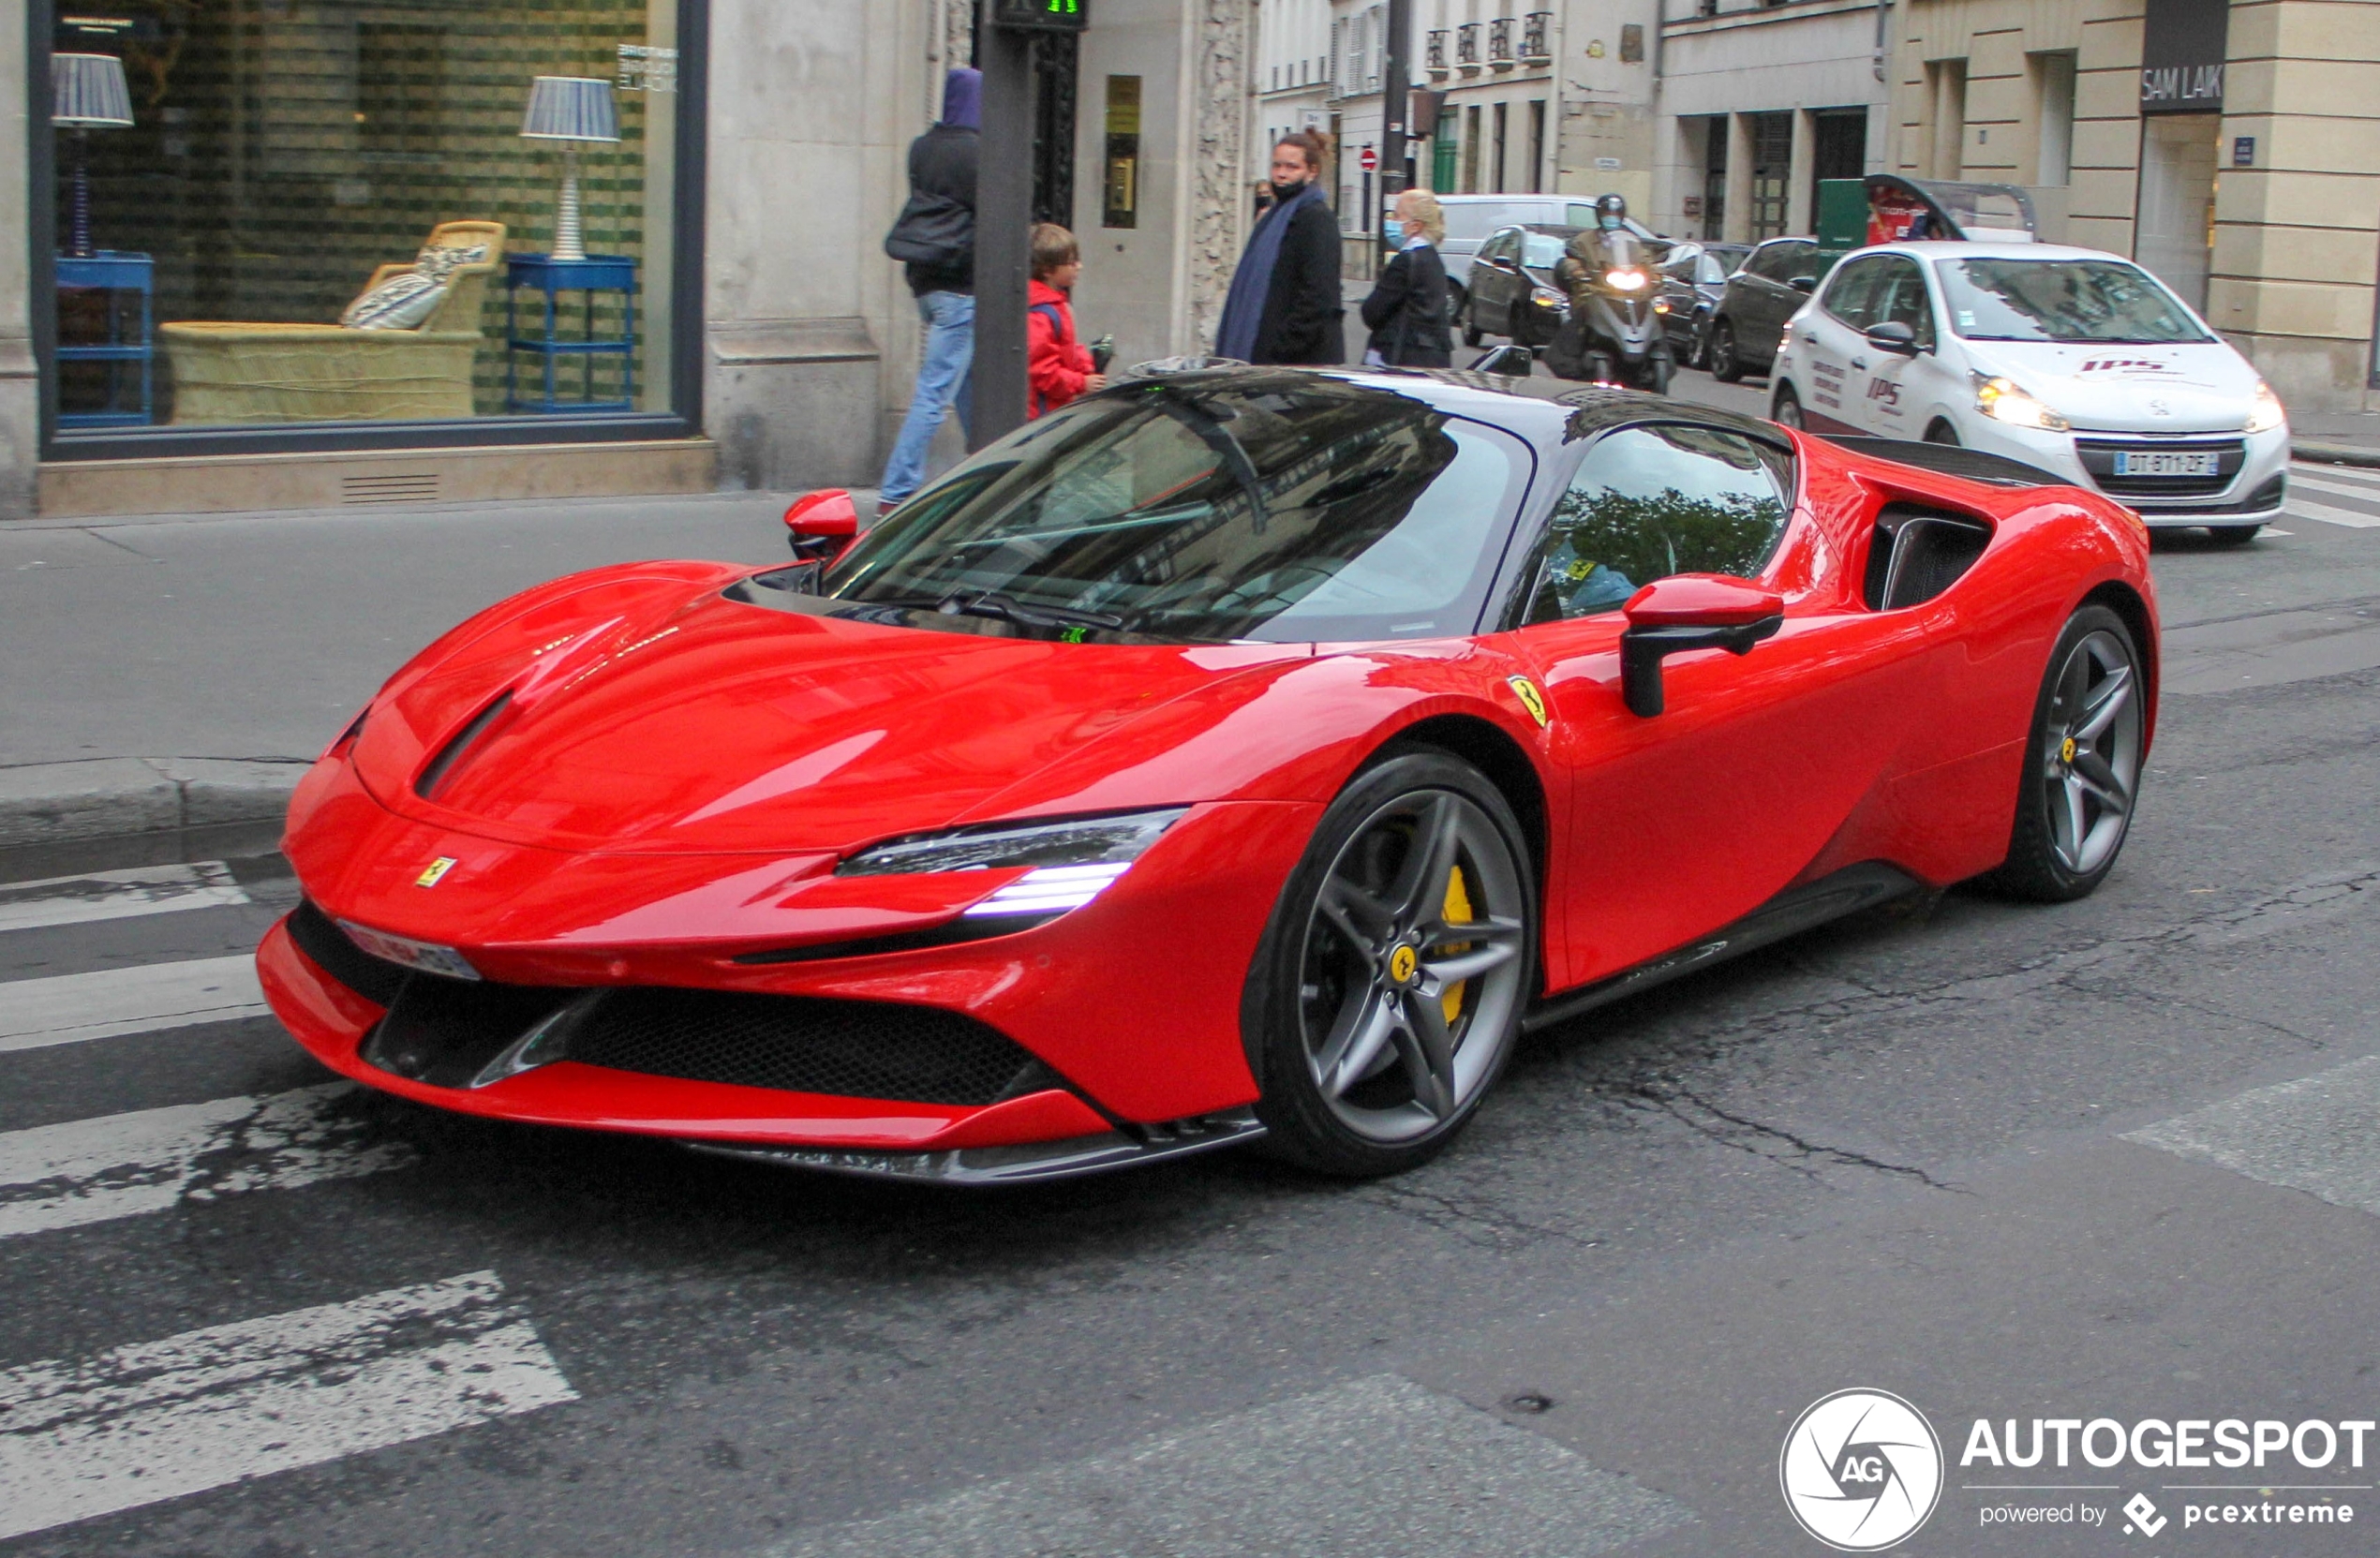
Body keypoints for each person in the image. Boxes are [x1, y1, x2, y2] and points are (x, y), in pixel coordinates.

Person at [876, 68, 981, 516]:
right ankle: (896, 490)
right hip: (962, 284)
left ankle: (985, 466)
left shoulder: (922, 147)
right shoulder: (979, 152)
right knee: (936, 391)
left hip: (924, 281)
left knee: (968, 383)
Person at [1214, 131, 1346, 366]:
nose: (1281, 174)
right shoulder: (1274, 216)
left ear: (1312, 171)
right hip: (1269, 355)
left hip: (1296, 363)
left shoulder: (1316, 218)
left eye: (1292, 167)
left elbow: (1319, 295)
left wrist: (1281, 348)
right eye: (1277, 166)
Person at [1358, 187, 1453, 368]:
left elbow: (1372, 311)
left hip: (1402, 355)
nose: (1391, 222)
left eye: (1397, 216)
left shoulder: (1406, 260)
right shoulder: (1432, 258)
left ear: (1415, 226)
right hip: (1432, 357)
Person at [1026, 224, 1108, 418]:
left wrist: (1086, 370)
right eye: (1071, 263)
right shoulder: (1040, 313)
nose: (1079, 266)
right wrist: (1081, 382)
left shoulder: (1055, 304)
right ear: (1047, 270)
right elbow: (1042, 372)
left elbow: (1068, 347)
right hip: (1041, 414)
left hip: (1053, 407)